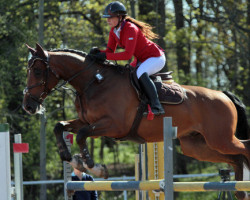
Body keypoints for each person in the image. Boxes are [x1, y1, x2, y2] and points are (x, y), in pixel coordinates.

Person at [90, 1, 166, 116]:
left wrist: (105, 56)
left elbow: (127, 55)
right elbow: (110, 51)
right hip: (142, 59)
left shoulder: (131, 29)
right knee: (125, 76)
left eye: (110, 17)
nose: (108, 20)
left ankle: (157, 106)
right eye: (107, 18)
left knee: (140, 73)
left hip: (155, 57)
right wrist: (98, 52)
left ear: (120, 17)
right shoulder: (114, 31)